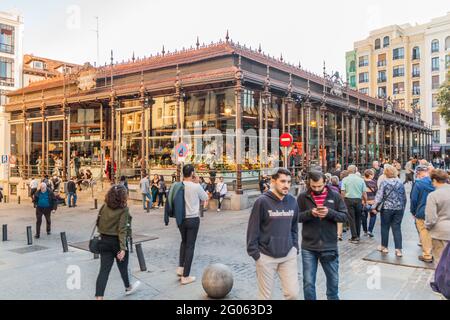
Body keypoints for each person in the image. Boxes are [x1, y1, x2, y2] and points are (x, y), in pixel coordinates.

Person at [247, 168, 299, 300]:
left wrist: (295, 248)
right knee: (265, 297)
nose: (286, 185)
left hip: (288, 255)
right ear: (273, 181)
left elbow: (294, 227)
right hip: (266, 256)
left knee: (293, 294)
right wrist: (256, 254)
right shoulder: (262, 202)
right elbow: (253, 229)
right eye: (282, 181)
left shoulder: (293, 201)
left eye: (288, 181)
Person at [298, 171, 348, 300]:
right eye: (313, 186)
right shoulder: (303, 197)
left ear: (325, 182)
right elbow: (296, 217)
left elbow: (344, 216)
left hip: (329, 245)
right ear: (309, 183)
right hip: (309, 246)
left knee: (333, 282)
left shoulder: (335, 196)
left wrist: (329, 213)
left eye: (319, 186)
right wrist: (310, 213)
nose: (316, 189)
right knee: (308, 283)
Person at [95, 184, 140, 300]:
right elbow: (122, 230)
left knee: (103, 271)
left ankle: (99, 297)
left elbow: (98, 223)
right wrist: (123, 248)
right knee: (123, 267)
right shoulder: (124, 209)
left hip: (104, 240)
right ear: (122, 197)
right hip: (117, 242)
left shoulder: (104, 206)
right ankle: (128, 287)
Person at [166, 164, 208, 285]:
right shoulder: (195, 187)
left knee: (183, 242)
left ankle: (180, 268)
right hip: (193, 219)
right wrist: (198, 182)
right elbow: (205, 197)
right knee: (190, 246)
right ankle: (186, 276)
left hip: (181, 219)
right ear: (192, 173)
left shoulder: (179, 185)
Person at [371, 165, 407, 257]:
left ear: (386, 173)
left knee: (385, 227)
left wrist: (374, 207)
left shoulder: (384, 182)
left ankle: (385, 247)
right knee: (397, 228)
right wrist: (403, 207)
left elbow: (379, 196)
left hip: (387, 208)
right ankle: (398, 250)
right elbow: (404, 197)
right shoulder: (400, 182)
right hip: (398, 208)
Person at [410, 165, 435, 263]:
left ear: (418, 174)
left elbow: (414, 199)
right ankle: (435, 253)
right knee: (434, 232)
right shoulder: (434, 183)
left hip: (422, 212)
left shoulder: (418, 183)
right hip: (434, 211)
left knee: (424, 233)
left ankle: (427, 255)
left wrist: (413, 211)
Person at [425, 169, 450, 264]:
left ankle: (442, 279)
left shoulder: (433, 195)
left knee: (440, 262)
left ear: (435, 180)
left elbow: (431, 218)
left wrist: (427, 226)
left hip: (440, 233)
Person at [341, 165, 367, 243]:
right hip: (358, 200)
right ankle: (358, 235)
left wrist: (342, 201)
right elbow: (364, 192)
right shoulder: (360, 179)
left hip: (348, 200)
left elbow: (342, 192)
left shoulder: (345, 179)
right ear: (355, 171)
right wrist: (365, 201)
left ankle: (354, 236)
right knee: (358, 218)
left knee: (351, 218)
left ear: (348, 171)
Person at [362, 169, 378, 238]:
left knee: (364, 216)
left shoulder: (362, 182)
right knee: (373, 215)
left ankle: (365, 230)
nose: (373, 176)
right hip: (372, 202)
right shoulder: (374, 183)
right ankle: (370, 231)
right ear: (370, 175)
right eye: (372, 174)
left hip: (364, 202)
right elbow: (377, 192)